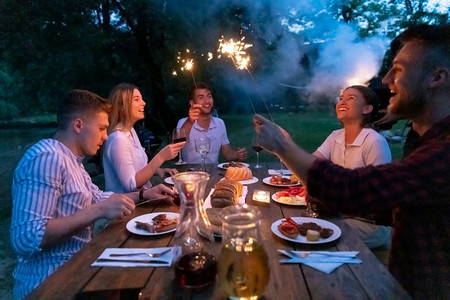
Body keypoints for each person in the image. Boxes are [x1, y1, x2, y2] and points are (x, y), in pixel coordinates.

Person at [253, 23, 450, 299]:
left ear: (437, 78)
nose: (386, 79)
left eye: (400, 69)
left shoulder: (444, 152)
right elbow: (396, 202)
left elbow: (356, 189)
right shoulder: (426, 142)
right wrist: (332, 203)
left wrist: (283, 146)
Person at [10, 90, 175, 299]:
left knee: (165, 260)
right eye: (102, 128)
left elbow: (98, 197)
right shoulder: (47, 157)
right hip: (51, 284)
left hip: (79, 267)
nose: (106, 136)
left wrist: (145, 194)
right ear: (78, 125)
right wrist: (97, 211)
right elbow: (27, 237)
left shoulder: (72, 160)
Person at [313, 85, 392, 249]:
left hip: (370, 225)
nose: (342, 101)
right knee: (305, 225)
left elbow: (378, 199)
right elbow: (311, 164)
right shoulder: (336, 136)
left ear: (367, 108)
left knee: (316, 234)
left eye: (351, 98)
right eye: (341, 98)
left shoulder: (374, 142)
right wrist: (284, 146)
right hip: (340, 215)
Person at [103, 83, 185, 193]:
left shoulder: (131, 131)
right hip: (130, 207)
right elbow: (131, 185)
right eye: (137, 100)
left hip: (144, 199)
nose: (144, 103)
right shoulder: (118, 140)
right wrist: (161, 156)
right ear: (122, 106)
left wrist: (159, 170)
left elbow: (137, 168)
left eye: (142, 99)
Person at [177, 82, 247, 164]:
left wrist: (237, 155)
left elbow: (227, 153)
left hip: (214, 173)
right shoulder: (183, 122)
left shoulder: (219, 123)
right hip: (190, 174)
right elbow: (177, 145)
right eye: (201, 98)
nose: (207, 101)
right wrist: (190, 121)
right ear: (192, 103)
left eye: (209, 96)